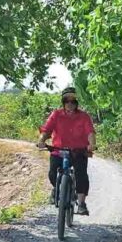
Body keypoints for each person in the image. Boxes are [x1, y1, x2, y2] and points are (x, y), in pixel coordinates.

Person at [37, 87, 96, 215]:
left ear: (76, 103)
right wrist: (41, 140)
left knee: (81, 174)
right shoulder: (56, 114)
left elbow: (90, 132)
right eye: (67, 101)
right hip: (59, 150)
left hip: (78, 151)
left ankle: (81, 204)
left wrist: (92, 144)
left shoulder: (84, 116)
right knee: (53, 173)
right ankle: (56, 188)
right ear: (63, 102)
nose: (70, 104)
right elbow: (46, 130)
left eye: (73, 101)